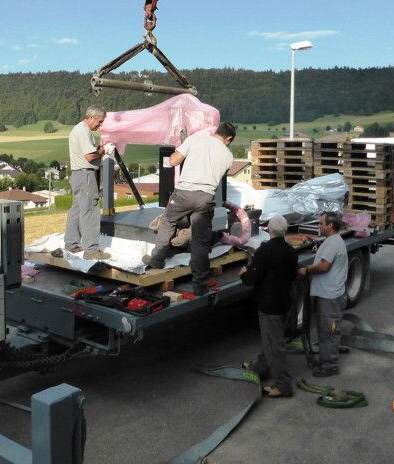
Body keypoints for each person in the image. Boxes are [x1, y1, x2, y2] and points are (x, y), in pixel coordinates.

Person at [142, 122, 236, 295]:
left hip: (183, 194)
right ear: (228, 138)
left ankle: (157, 260)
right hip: (206, 198)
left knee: (168, 221)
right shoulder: (228, 156)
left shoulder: (195, 139)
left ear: (216, 132)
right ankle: (200, 285)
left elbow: (173, 160)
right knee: (200, 241)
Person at [239, 215, 298, 398]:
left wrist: (244, 273)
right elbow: (292, 276)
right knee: (270, 339)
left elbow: (252, 279)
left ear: (269, 231)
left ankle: (283, 385)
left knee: (275, 345)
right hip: (284, 302)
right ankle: (261, 367)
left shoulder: (265, 250)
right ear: (285, 232)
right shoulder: (291, 251)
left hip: (269, 305)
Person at [297, 211, 349, 377]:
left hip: (331, 298)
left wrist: (306, 270)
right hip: (328, 295)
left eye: (321, 223)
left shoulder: (333, 243)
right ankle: (326, 359)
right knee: (325, 330)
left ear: (330, 226)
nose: (318, 226)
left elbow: (324, 266)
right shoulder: (331, 241)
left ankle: (330, 366)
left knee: (329, 332)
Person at [64, 105, 110, 260]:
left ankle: (71, 243)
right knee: (90, 211)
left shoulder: (78, 129)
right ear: (91, 118)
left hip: (78, 175)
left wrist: (97, 149)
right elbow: (90, 157)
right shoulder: (83, 130)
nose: (100, 125)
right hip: (86, 176)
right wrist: (103, 150)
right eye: (99, 121)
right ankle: (91, 250)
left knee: (77, 209)